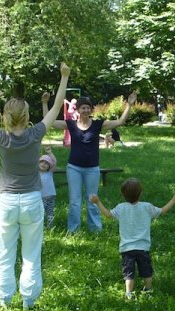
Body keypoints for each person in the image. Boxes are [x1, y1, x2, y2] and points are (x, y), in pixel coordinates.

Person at [0, 63, 70, 310]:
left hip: (8, 202)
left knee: (5, 254)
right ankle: (29, 301)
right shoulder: (36, 134)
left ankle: (4, 300)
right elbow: (56, 106)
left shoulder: (1, 137)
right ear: (27, 114)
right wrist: (64, 77)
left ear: (6, 115)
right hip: (32, 200)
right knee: (31, 255)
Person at [44, 91, 137, 234]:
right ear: (78, 110)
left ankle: (95, 229)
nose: (86, 110)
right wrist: (45, 103)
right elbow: (49, 122)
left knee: (93, 200)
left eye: (88, 107)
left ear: (91, 109)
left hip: (92, 168)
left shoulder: (98, 124)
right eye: (83, 108)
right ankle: (73, 230)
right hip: (74, 167)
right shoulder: (71, 124)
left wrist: (129, 105)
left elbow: (120, 122)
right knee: (75, 202)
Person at [89, 178, 175, 299]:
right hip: (143, 247)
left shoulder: (121, 208)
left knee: (129, 273)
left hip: (127, 248)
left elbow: (108, 214)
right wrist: (174, 199)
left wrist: (97, 202)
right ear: (141, 193)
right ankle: (148, 290)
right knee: (146, 271)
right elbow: (162, 211)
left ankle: (129, 293)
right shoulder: (147, 207)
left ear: (123, 195)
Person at [39, 146, 57, 227]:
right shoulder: (35, 173)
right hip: (41, 197)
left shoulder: (49, 172)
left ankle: (50, 227)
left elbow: (54, 161)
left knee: (50, 212)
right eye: (42, 162)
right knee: (40, 211)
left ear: (50, 166)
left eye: (46, 163)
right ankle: (40, 226)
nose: (44, 164)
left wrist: (49, 152)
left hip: (51, 196)